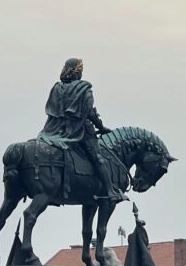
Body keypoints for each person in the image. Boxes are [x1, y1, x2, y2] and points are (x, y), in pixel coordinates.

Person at [37, 57, 125, 203]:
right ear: (78, 71)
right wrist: (101, 128)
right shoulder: (84, 88)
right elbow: (89, 113)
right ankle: (110, 190)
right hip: (79, 131)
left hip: (53, 131)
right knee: (98, 158)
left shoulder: (57, 88)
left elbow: (53, 110)